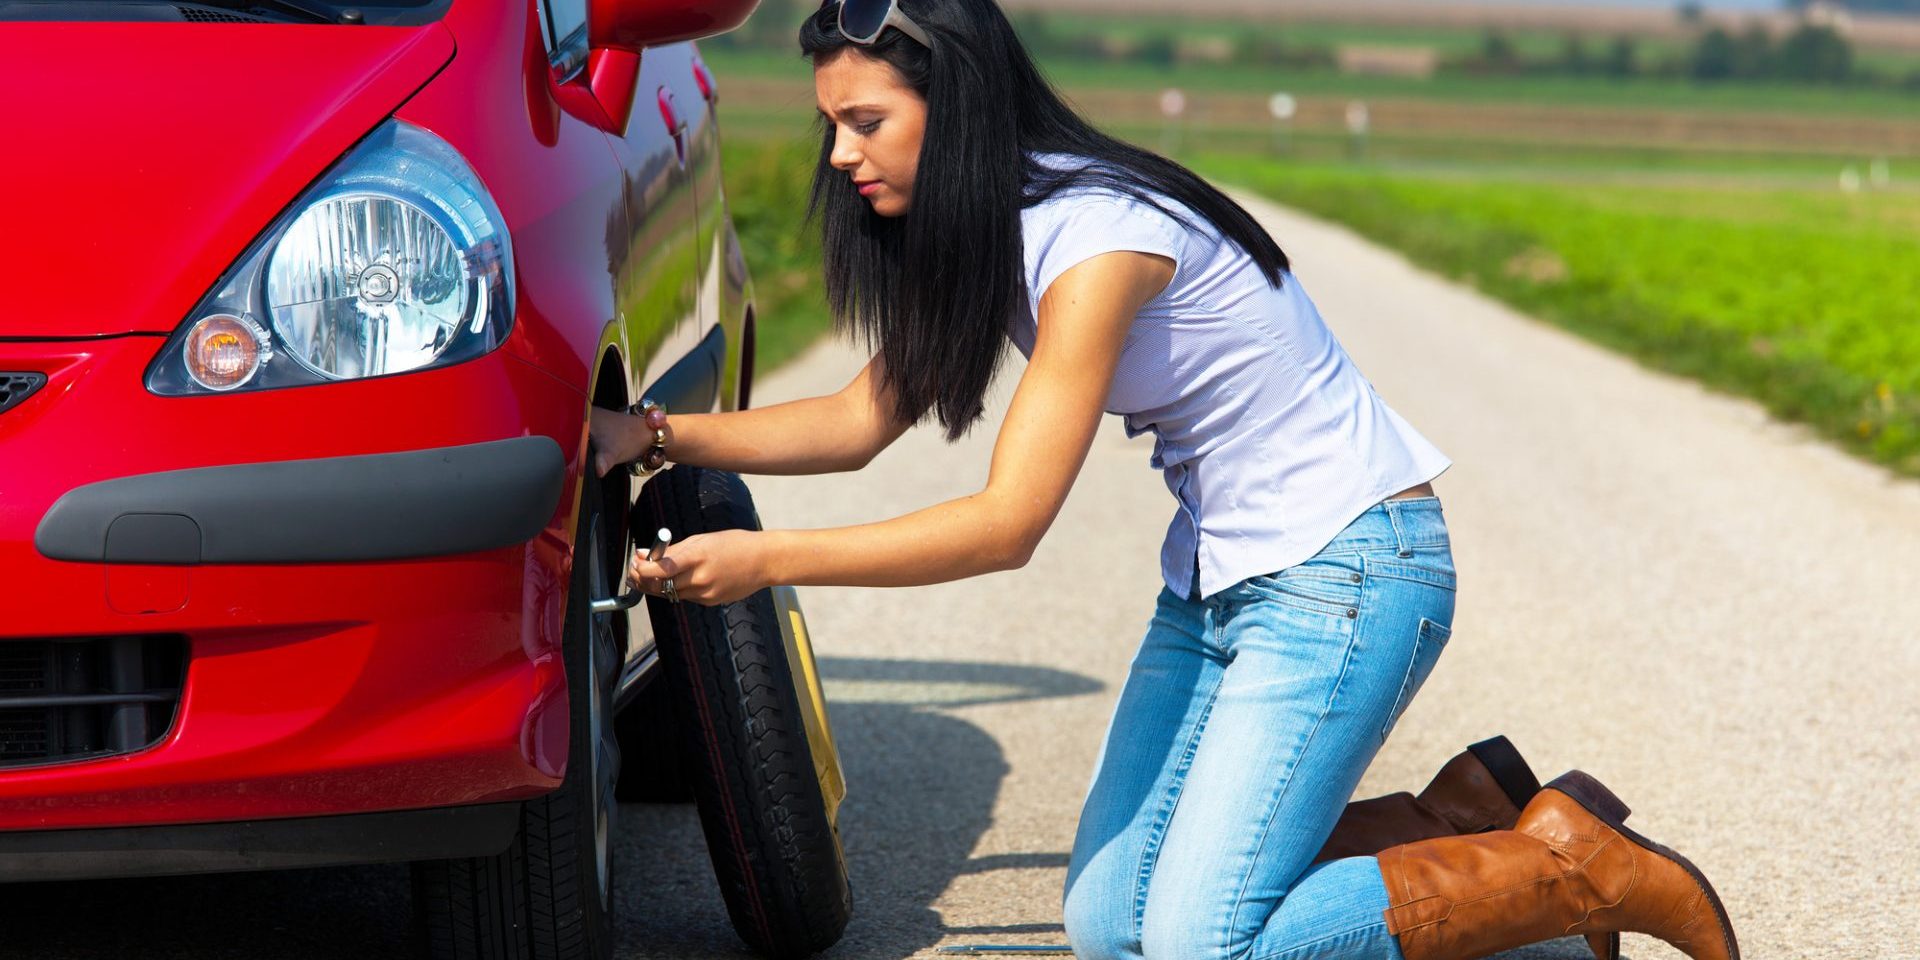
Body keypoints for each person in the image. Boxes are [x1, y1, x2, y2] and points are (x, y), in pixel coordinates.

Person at [588, 2, 1741, 958]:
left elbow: (1007, 523)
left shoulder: (1095, 242)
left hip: (1349, 578)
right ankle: (1457, 817)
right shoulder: (998, 233)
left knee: (1204, 948)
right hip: (1221, 588)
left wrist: (765, 562)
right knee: (1108, 926)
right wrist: (642, 434)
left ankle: (1566, 866)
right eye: (833, 125)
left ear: (961, 106)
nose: (840, 156)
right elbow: (853, 419)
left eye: (866, 122)